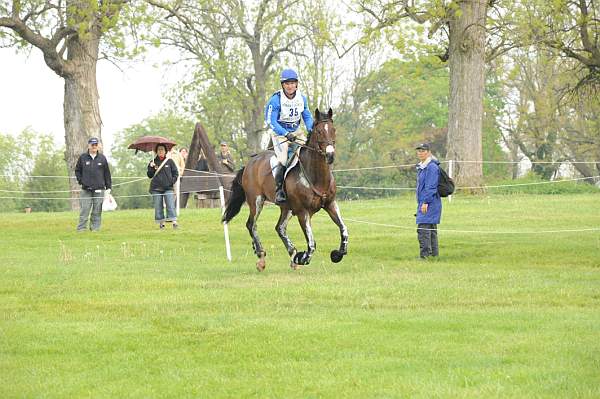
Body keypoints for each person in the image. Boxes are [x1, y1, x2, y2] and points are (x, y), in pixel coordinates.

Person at [264, 68, 314, 204]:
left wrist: (311, 129)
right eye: (287, 83)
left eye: (292, 83)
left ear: (296, 84)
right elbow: (271, 121)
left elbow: (307, 116)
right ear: (282, 85)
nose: (290, 86)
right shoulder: (275, 100)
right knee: (283, 158)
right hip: (280, 133)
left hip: (296, 131)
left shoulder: (301, 98)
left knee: (311, 151)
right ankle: (279, 190)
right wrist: (285, 133)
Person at [74, 137, 112, 232]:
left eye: (96, 145)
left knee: (97, 210)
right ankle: (81, 228)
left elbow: (107, 173)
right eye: (92, 145)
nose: (94, 146)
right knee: (85, 210)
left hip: (99, 189)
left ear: (98, 146)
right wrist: (81, 181)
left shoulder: (102, 158)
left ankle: (95, 229)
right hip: (86, 189)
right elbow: (77, 170)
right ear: (89, 145)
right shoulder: (83, 157)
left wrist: (108, 187)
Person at [415, 143, 442, 259]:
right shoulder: (422, 166)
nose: (420, 153)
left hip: (429, 201)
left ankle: (425, 255)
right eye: (419, 151)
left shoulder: (431, 167)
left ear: (429, 152)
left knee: (423, 228)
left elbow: (431, 186)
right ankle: (434, 255)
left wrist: (425, 202)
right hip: (427, 201)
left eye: (423, 151)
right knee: (430, 228)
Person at [147, 144, 179, 229]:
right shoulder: (152, 162)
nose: (160, 151)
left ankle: (174, 222)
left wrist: (172, 181)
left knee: (170, 205)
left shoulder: (170, 161)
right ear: (156, 151)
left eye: (162, 149)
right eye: (159, 150)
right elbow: (149, 175)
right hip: (156, 188)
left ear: (165, 151)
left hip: (168, 188)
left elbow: (176, 173)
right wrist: (151, 168)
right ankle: (161, 223)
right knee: (158, 206)